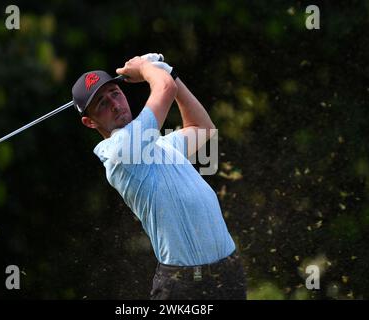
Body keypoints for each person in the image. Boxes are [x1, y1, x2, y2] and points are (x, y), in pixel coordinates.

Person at [71, 53, 247, 300]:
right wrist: (148, 69)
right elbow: (163, 88)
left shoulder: (159, 145)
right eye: (101, 103)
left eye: (115, 93)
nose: (114, 103)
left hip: (228, 273)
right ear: (90, 122)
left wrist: (169, 72)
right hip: (185, 285)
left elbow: (202, 127)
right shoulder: (118, 152)